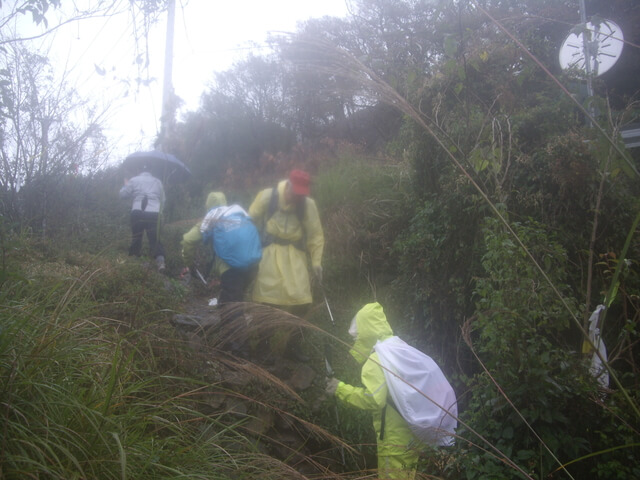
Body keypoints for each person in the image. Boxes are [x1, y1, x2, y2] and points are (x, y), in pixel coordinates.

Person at [325, 302, 419, 480]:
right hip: (413, 433)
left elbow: (373, 399)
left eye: (358, 333)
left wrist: (340, 389)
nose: (355, 339)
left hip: (394, 441)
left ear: (366, 332)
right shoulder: (401, 348)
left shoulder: (376, 359)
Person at [248, 169, 324, 361]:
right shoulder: (268, 196)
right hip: (269, 256)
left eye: (301, 194)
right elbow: (249, 220)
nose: (297, 198)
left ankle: (293, 346)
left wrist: (316, 262)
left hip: (295, 258)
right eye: (295, 193)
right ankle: (264, 346)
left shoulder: (307, 205)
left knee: (302, 302)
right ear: (288, 185)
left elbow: (315, 234)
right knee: (268, 302)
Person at [119, 167, 166, 271]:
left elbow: (123, 195)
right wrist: (160, 212)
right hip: (154, 213)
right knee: (155, 239)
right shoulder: (158, 181)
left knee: (136, 238)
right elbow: (163, 200)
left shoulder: (134, 180)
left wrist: (125, 185)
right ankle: (160, 262)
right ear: (150, 172)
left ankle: (133, 261)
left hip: (138, 211)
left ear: (139, 171)